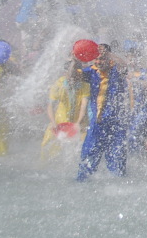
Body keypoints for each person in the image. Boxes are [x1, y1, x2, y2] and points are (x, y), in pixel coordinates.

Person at [76, 43, 130, 181]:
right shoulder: (91, 72)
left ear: (109, 59)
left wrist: (108, 53)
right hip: (97, 125)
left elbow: (125, 66)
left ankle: (119, 186)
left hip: (116, 124)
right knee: (88, 156)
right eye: (97, 59)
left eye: (102, 58)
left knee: (117, 160)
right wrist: (75, 60)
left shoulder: (116, 71)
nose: (99, 62)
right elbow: (73, 76)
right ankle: (83, 183)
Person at [41, 60, 90, 160]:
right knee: (48, 144)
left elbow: (83, 107)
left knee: (83, 145)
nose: (76, 75)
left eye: (78, 72)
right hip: (59, 121)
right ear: (65, 73)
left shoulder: (84, 86)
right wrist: (53, 122)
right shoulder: (59, 85)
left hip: (78, 121)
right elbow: (50, 106)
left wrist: (78, 123)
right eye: (73, 72)